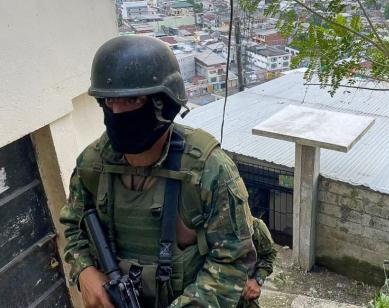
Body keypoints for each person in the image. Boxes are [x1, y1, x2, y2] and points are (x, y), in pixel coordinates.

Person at [59, 36, 257, 308]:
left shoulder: (208, 169)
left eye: (132, 101)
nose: (116, 112)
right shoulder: (92, 164)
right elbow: (74, 226)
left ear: (163, 103)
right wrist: (84, 271)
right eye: (109, 101)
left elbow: (235, 260)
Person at [238, 217, 277, 308]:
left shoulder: (255, 226)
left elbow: (269, 254)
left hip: (245, 298)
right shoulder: (206, 227)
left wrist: (257, 280)